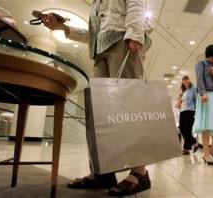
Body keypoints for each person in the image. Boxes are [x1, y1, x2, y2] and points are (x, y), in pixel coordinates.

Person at [41, 0, 153, 196]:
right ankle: (103, 172)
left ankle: (140, 172)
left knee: (129, 106)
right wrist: (63, 27)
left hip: (123, 41)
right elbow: (95, 34)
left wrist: (135, 32)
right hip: (100, 51)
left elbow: (137, 2)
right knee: (100, 115)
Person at [179, 76, 199, 155]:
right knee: (182, 130)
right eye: (183, 80)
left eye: (186, 79)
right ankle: (193, 143)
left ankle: (186, 148)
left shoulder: (193, 89)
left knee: (187, 130)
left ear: (189, 80)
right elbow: (181, 102)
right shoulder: (183, 91)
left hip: (190, 111)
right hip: (182, 111)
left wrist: (197, 112)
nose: (185, 81)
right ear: (182, 82)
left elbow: (196, 100)